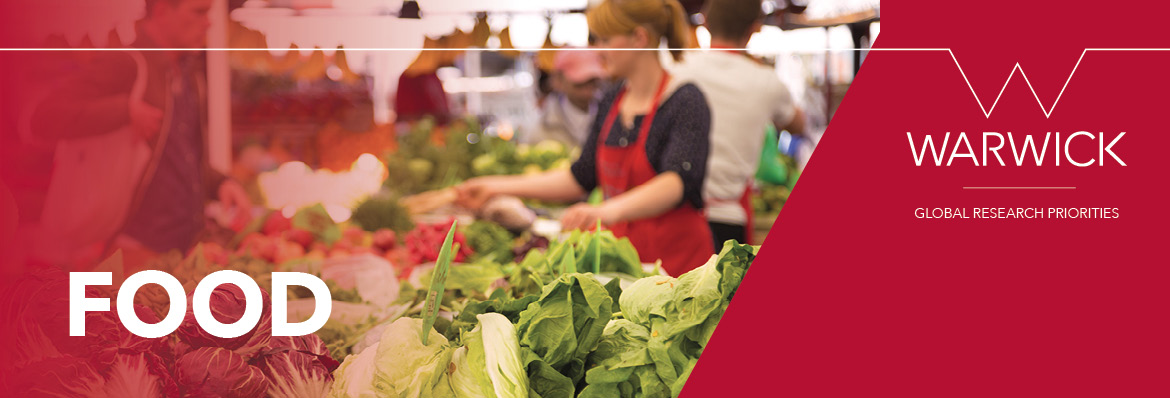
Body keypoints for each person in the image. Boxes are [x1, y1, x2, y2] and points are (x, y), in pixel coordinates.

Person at [457, 0, 714, 276]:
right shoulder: (612, 100)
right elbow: (581, 176)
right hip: (623, 264)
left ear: (639, 38)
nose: (597, 50)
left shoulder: (685, 100)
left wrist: (606, 211)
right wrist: (494, 186)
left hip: (680, 265)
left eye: (604, 39)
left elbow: (676, 182)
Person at [32, 0, 251, 266]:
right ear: (161, 10)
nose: (209, 22)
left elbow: (180, 156)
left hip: (183, 251)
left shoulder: (189, 73)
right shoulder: (126, 64)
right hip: (130, 251)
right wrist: (124, 110)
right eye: (199, 11)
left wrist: (220, 183)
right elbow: (43, 117)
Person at [671, 0, 805, 250]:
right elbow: (798, 124)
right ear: (755, 29)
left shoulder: (677, 67)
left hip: (675, 214)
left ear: (706, 23)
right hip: (729, 220)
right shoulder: (766, 81)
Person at [525, 50, 606, 148]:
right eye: (580, 79)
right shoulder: (540, 129)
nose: (588, 81)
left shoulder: (613, 115)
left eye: (592, 77)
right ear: (558, 80)